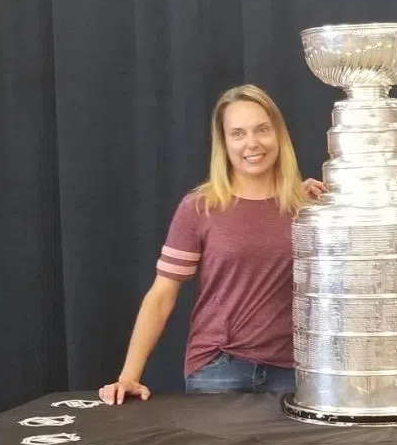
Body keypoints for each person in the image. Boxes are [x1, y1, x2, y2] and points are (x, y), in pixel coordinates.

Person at [99, 84, 315, 404]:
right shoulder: (200, 207)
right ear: (224, 143)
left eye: (262, 130)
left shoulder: (309, 209)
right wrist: (129, 376)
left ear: (279, 135)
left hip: (293, 372)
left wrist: (334, 202)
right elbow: (162, 295)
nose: (252, 143)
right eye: (238, 133)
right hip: (220, 368)